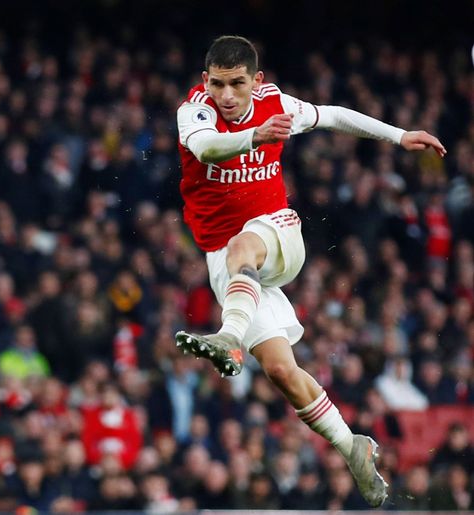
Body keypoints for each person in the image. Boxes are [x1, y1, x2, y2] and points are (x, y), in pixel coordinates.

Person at [175, 35, 447, 508]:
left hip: (276, 233)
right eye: (218, 84)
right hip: (226, 260)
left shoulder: (276, 102)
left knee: (244, 244)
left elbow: (335, 115)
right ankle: (352, 445)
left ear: (255, 81)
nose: (228, 95)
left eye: (238, 84)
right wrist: (255, 137)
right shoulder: (194, 110)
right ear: (206, 81)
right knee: (281, 370)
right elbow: (207, 150)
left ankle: (228, 336)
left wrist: (399, 136)